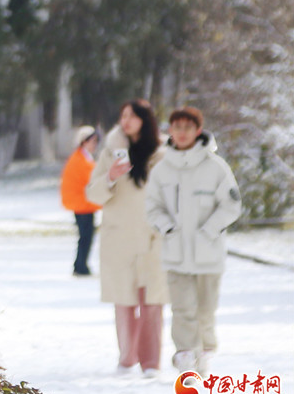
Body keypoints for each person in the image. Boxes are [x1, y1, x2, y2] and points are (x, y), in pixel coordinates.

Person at [145, 106, 241, 376]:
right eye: (177, 127)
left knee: (206, 310)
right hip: (175, 253)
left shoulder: (216, 167)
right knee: (182, 308)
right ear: (170, 131)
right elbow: (152, 206)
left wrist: (209, 230)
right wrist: (168, 229)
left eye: (188, 128)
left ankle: (205, 352)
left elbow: (231, 205)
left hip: (208, 254)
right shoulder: (162, 170)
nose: (182, 133)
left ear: (198, 131)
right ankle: (185, 355)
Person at [86, 99, 168, 377]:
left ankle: (151, 362)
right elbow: (92, 195)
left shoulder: (165, 152)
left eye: (133, 116)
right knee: (124, 302)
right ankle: (126, 358)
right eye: (123, 116)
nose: (127, 121)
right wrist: (110, 176)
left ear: (146, 120)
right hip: (119, 237)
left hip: (154, 236)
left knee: (153, 301)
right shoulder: (111, 153)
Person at [61, 126, 101, 276]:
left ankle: (80, 264)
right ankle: (80, 266)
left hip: (83, 203)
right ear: (84, 142)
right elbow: (92, 177)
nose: (94, 145)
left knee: (85, 235)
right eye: (92, 141)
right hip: (82, 204)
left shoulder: (82, 158)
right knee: (86, 235)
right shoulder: (80, 160)